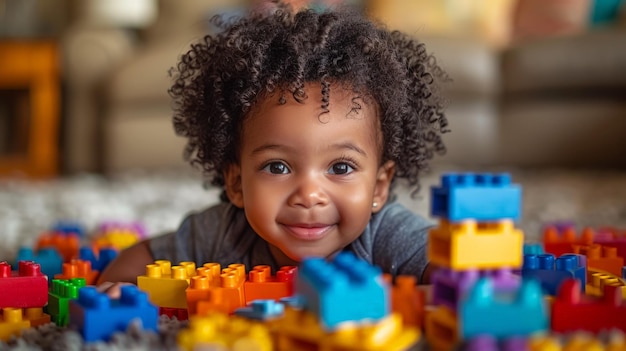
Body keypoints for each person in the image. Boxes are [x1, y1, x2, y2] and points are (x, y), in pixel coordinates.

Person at [97, 2, 449, 291]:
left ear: (379, 186)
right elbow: (135, 261)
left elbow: (458, 273)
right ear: (236, 183)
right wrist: (123, 288)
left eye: (340, 168)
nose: (309, 195)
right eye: (277, 167)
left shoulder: (386, 233)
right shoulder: (222, 235)